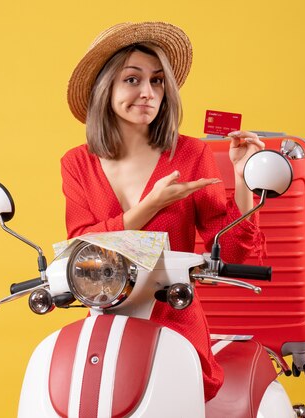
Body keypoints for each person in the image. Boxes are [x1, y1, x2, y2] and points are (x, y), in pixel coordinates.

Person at [61, 22, 265, 401]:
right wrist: (151, 205)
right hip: (106, 318)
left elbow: (235, 252)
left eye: (157, 82)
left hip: (175, 317)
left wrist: (243, 178)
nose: (148, 93)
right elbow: (80, 245)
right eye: (132, 80)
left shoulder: (191, 154)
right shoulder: (77, 163)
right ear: (105, 88)